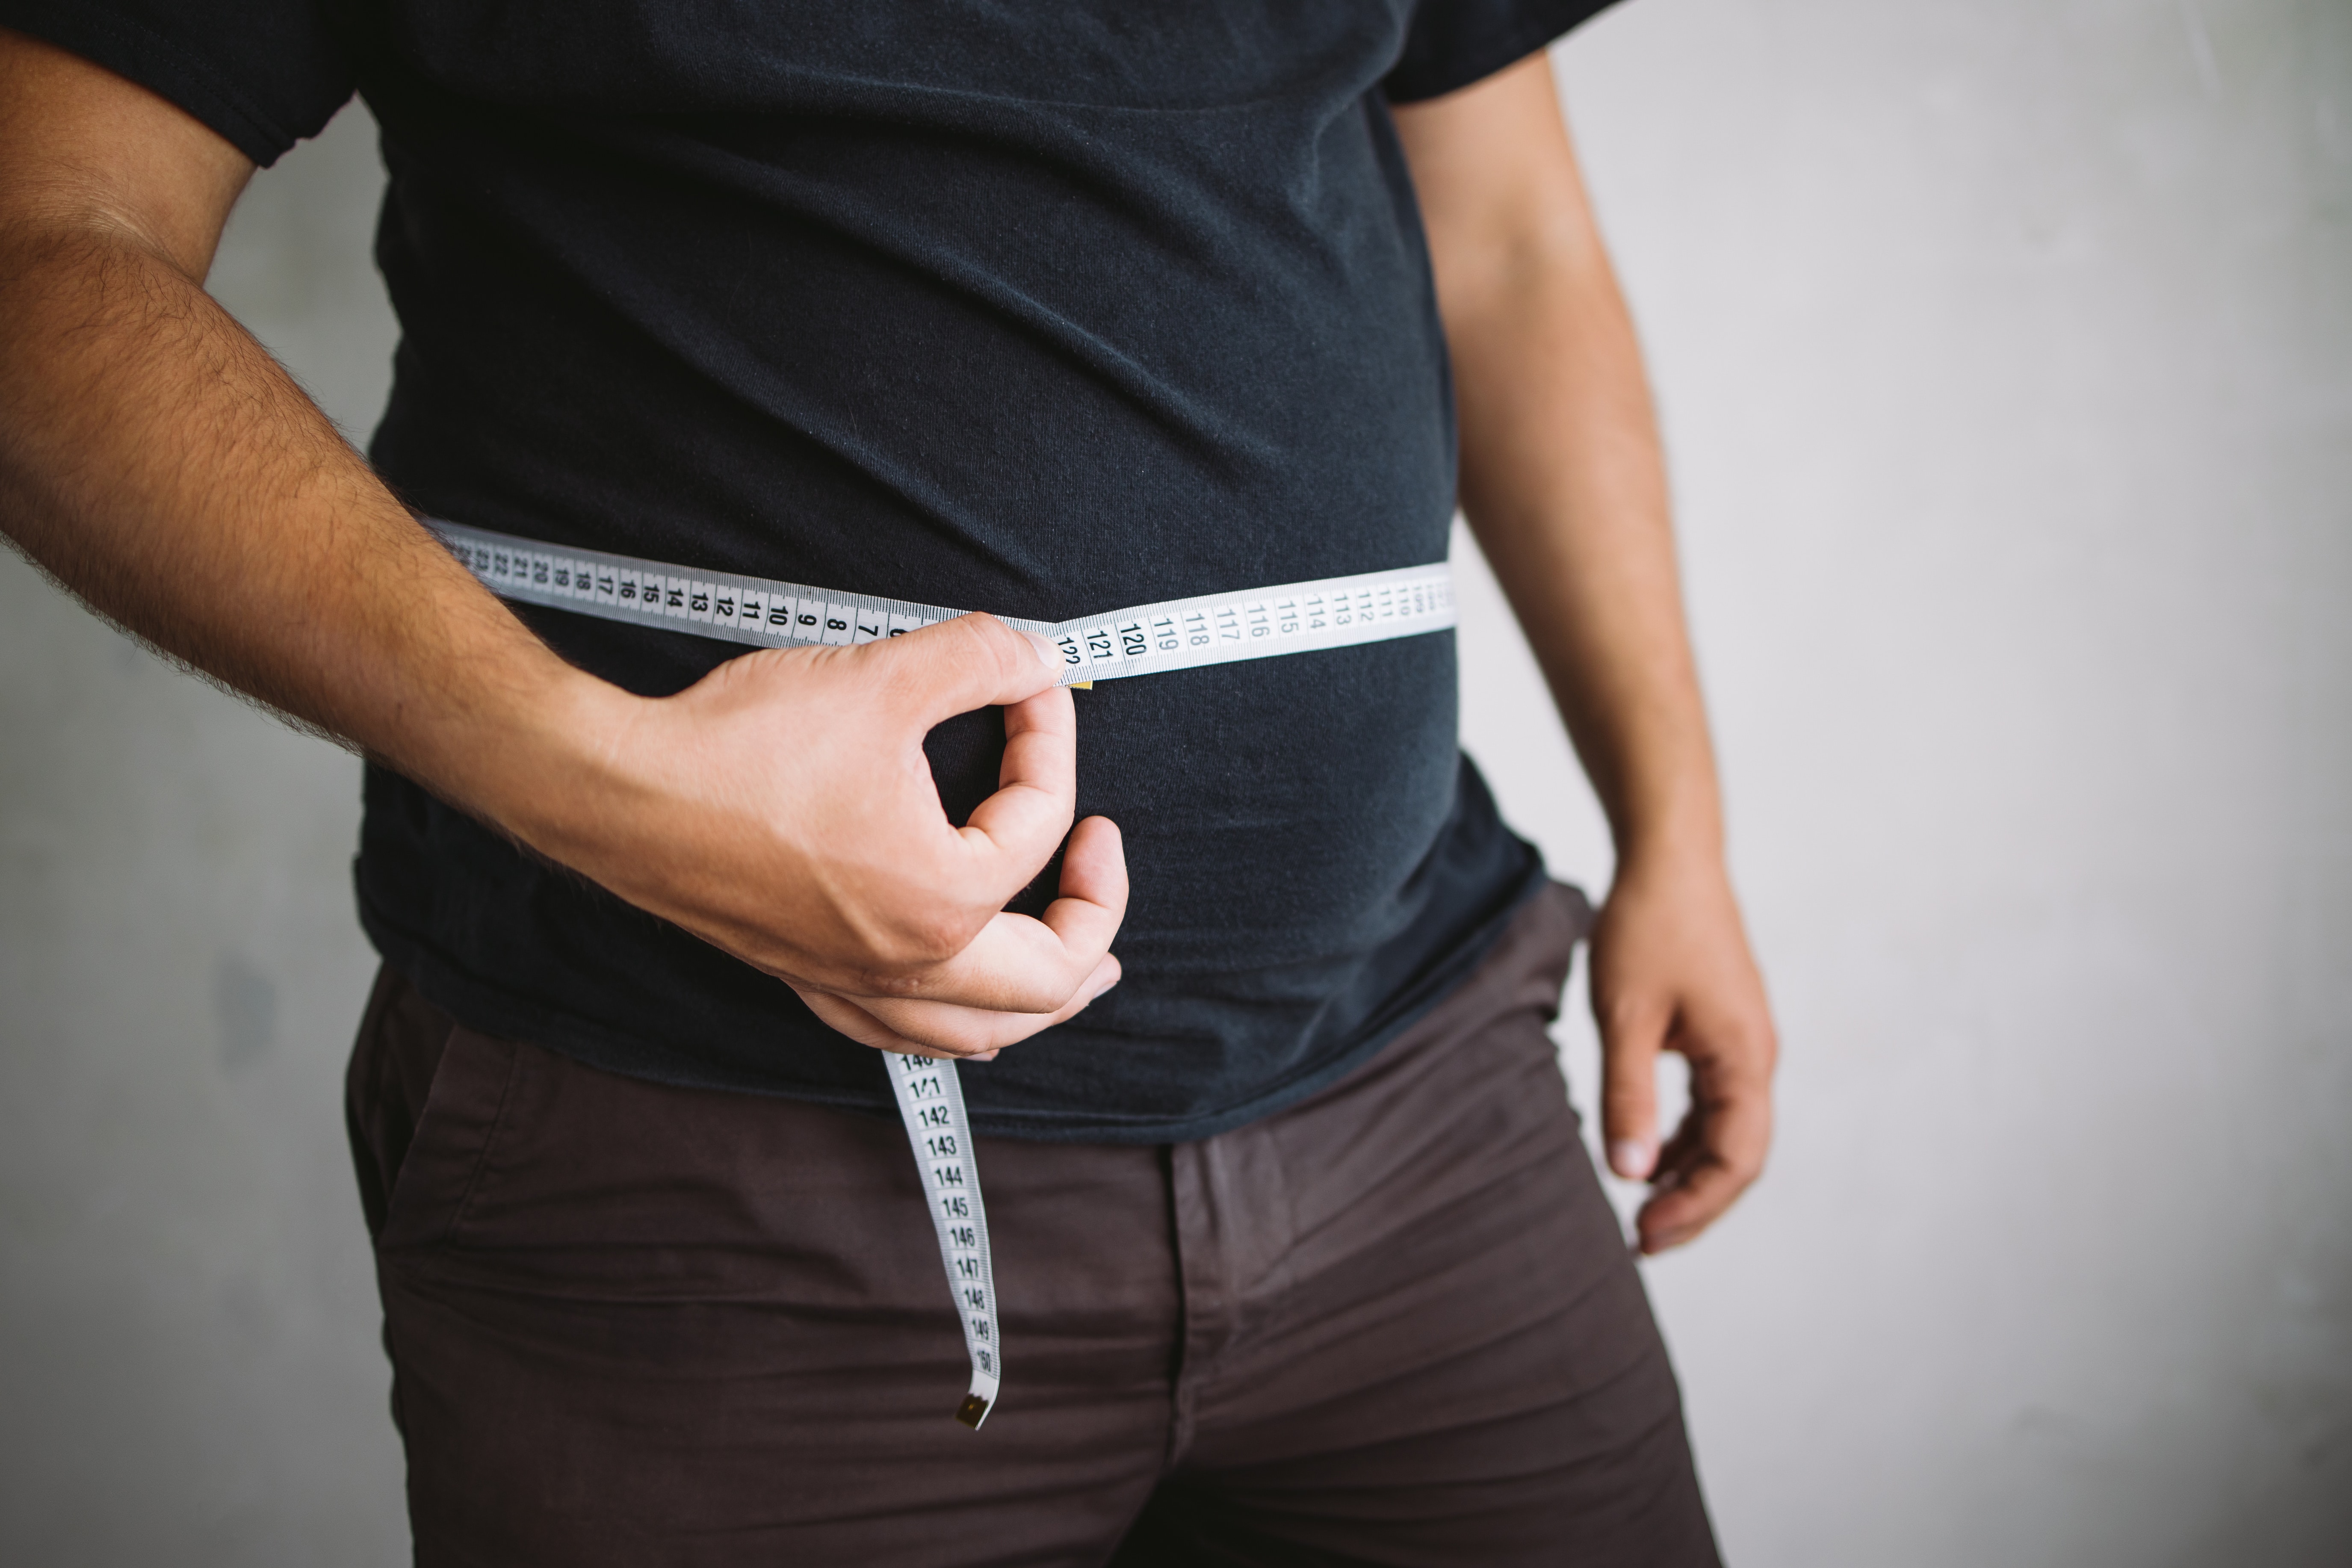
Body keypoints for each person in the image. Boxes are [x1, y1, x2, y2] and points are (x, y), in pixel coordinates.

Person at [0, 1, 1777, 1561]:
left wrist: (1675, 828)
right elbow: (41, 243)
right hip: (697, 1176)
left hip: (1425, 1088)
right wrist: (612, 781)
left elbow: (1511, 239)